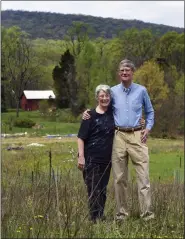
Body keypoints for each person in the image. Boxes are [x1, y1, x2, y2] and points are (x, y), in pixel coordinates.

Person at [83, 59, 155, 222]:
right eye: (122, 70)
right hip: (118, 136)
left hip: (137, 135)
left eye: (127, 70)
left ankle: (147, 215)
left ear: (132, 72)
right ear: (118, 73)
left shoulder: (141, 91)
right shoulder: (113, 92)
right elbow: (102, 106)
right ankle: (122, 214)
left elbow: (150, 112)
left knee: (143, 177)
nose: (124, 73)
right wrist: (88, 113)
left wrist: (147, 128)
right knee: (120, 178)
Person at [77, 84, 115, 223]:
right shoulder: (89, 116)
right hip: (91, 159)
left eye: (107, 96)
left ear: (110, 97)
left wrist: (141, 121)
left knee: (103, 190)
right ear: (97, 97)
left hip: (107, 160)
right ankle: (94, 220)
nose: (104, 98)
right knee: (93, 190)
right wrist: (81, 156)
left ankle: (100, 216)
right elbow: (81, 137)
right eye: (102, 96)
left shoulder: (112, 114)